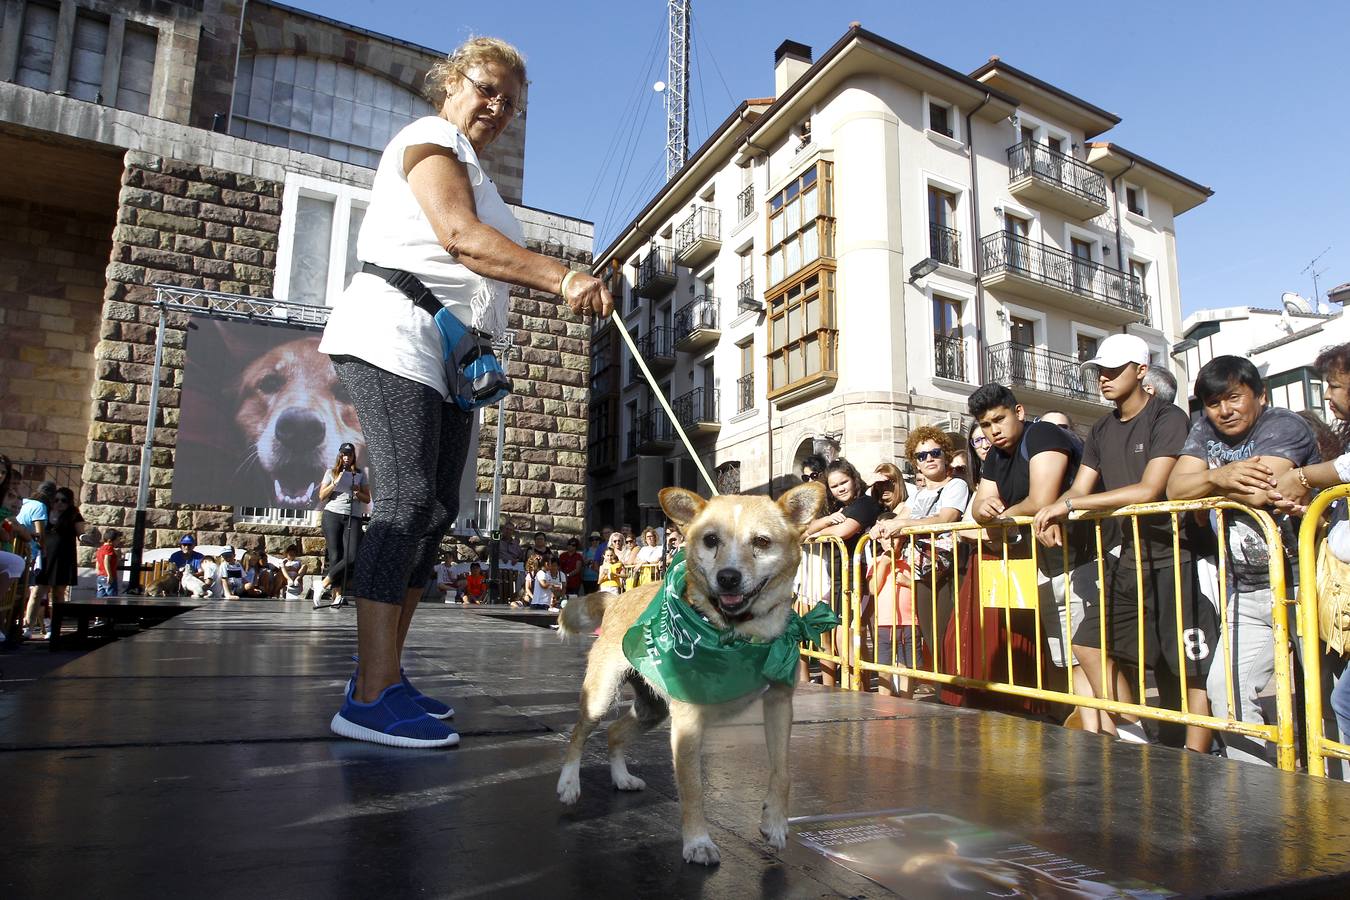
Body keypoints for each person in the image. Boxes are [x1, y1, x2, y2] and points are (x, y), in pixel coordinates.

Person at [316, 29, 616, 749]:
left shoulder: (476, 168)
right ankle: (367, 695)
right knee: (407, 499)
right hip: (393, 330)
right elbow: (458, 237)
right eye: (485, 88)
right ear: (449, 84)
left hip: (444, 352)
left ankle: (383, 675)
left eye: (509, 102)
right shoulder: (429, 138)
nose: (496, 106)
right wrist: (563, 275)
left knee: (439, 507)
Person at [1033, 335, 1214, 748]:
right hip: (1128, 558)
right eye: (1100, 370)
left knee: (1187, 668)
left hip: (1178, 557)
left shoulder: (1167, 417)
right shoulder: (1099, 427)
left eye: (1115, 369)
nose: (1104, 378)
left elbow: (1151, 489)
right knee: (1086, 642)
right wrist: (1049, 512)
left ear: (1142, 370)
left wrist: (1068, 507)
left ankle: (1198, 757)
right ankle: (1135, 734)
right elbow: (1078, 488)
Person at [1167, 355, 1319, 764]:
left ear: (1260, 396)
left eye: (1234, 398)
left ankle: (1334, 804)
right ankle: (1255, 801)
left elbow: (1261, 491)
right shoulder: (1203, 429)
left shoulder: (1285, 425)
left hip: (1307, 584)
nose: (1225, 411)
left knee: (1322, 702)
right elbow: (1174, 489)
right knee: (1226, 695)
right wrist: (1217, 477)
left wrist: (1209, 483)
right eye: (1214, 403)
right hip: (1246, 589)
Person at [969, 384, 1091, 677]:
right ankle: (1092, 723)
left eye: (999, 419)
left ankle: (1125, 724)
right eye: (985, 425)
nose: (993, 431)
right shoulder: (996, 456)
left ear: (1019, 412)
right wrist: (984, 510)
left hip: (1086, 557)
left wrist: (1000, 517)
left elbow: (1041, 500)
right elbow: (978, 507)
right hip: (1049, 563)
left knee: (1092, 656)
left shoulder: (1042, 433)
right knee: (1071, 661)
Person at [805, 457, 881, 686]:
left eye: (844, 482)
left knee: (846, 636)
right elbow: (805, 529)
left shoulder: (865, 504)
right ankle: (854, 685)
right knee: (836, 635)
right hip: (838, 582)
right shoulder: (838, 510)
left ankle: (858, 688)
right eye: (834, 486)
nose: (840, 488)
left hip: (859, 578)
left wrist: (820, 533)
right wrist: (826, 521)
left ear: (854, 479)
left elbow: (845, 530)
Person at [314, 442, 371, 610]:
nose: (347, 457)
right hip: (332, 515)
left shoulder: (360, 474)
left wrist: (356, 491)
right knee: (335, 556)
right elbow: (322, 496)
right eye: (344, 454)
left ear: (354, 457)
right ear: (340, 455)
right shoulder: (330, 473)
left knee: (352, 556)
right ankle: (337, 596)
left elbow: (367, 498)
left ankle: (322, 584)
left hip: (353, 516)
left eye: (350, 455)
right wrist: (336, 483)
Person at [27, 486, 83, 640]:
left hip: (63, 558)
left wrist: (84, 536)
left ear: (69, 502)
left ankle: (54, 627)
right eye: (56, 500)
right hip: (45, 557)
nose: (59, 503)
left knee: (58, 594)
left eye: (63, 501)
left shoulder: (73, 516)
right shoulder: (44, 513)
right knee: (37, 592)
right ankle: (28, 627)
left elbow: (81, 532)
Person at [17, 481, 55, 639]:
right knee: (31, 590)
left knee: (21, 591)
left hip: (17, 547)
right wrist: (44, 547)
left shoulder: (24, 503)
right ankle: (25, 625)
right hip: (30, 553)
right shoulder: (40, 507)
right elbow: (40, 532)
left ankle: (25, 624)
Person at [169, 533, 208, 598]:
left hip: (193, 581)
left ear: (193, 546)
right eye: (184, 544)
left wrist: (190, 576)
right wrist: (176, 574)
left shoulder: (199, 557)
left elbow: (202, 572)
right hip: (177, 580)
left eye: (189, 545)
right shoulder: (174, 556)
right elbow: (170, 570)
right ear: (180, 546)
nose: (186, 547)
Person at [95, 530, 122, 597]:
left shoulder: (100, 549)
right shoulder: (109, 548)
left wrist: (98, 571)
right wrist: (109, 575)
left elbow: (98, 561)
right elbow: (106, 560)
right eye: (117, 540)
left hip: (100, 576)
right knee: (111, 597)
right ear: (110, 541)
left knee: (101, 596)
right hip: (108, 576)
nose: (118, 542)